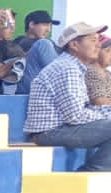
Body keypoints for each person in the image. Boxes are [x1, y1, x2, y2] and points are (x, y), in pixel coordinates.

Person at [23, 21, 111, 169]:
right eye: (93, 40)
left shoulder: (72, 67)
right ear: (74, 45)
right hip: (50, 132)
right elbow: (75, 116)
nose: (98, 45)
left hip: (57, 129)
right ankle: (90, 173)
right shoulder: (67, 68)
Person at [0, 11, 27, 93]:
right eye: (9, 25)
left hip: (26, 77)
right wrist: (20, 59)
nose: (12, 29)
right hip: (12, 84)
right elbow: (0, 73)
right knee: (42, 44)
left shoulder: (14, 44)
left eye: (13, 25)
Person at [19, 11, 60, 93]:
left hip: (45, 85)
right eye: (45, 25)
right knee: (43, 43)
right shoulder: (22, 42)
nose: (48, 30)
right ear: (31, 25)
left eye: (50, 26)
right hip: (29, 85)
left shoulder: (50, 43)